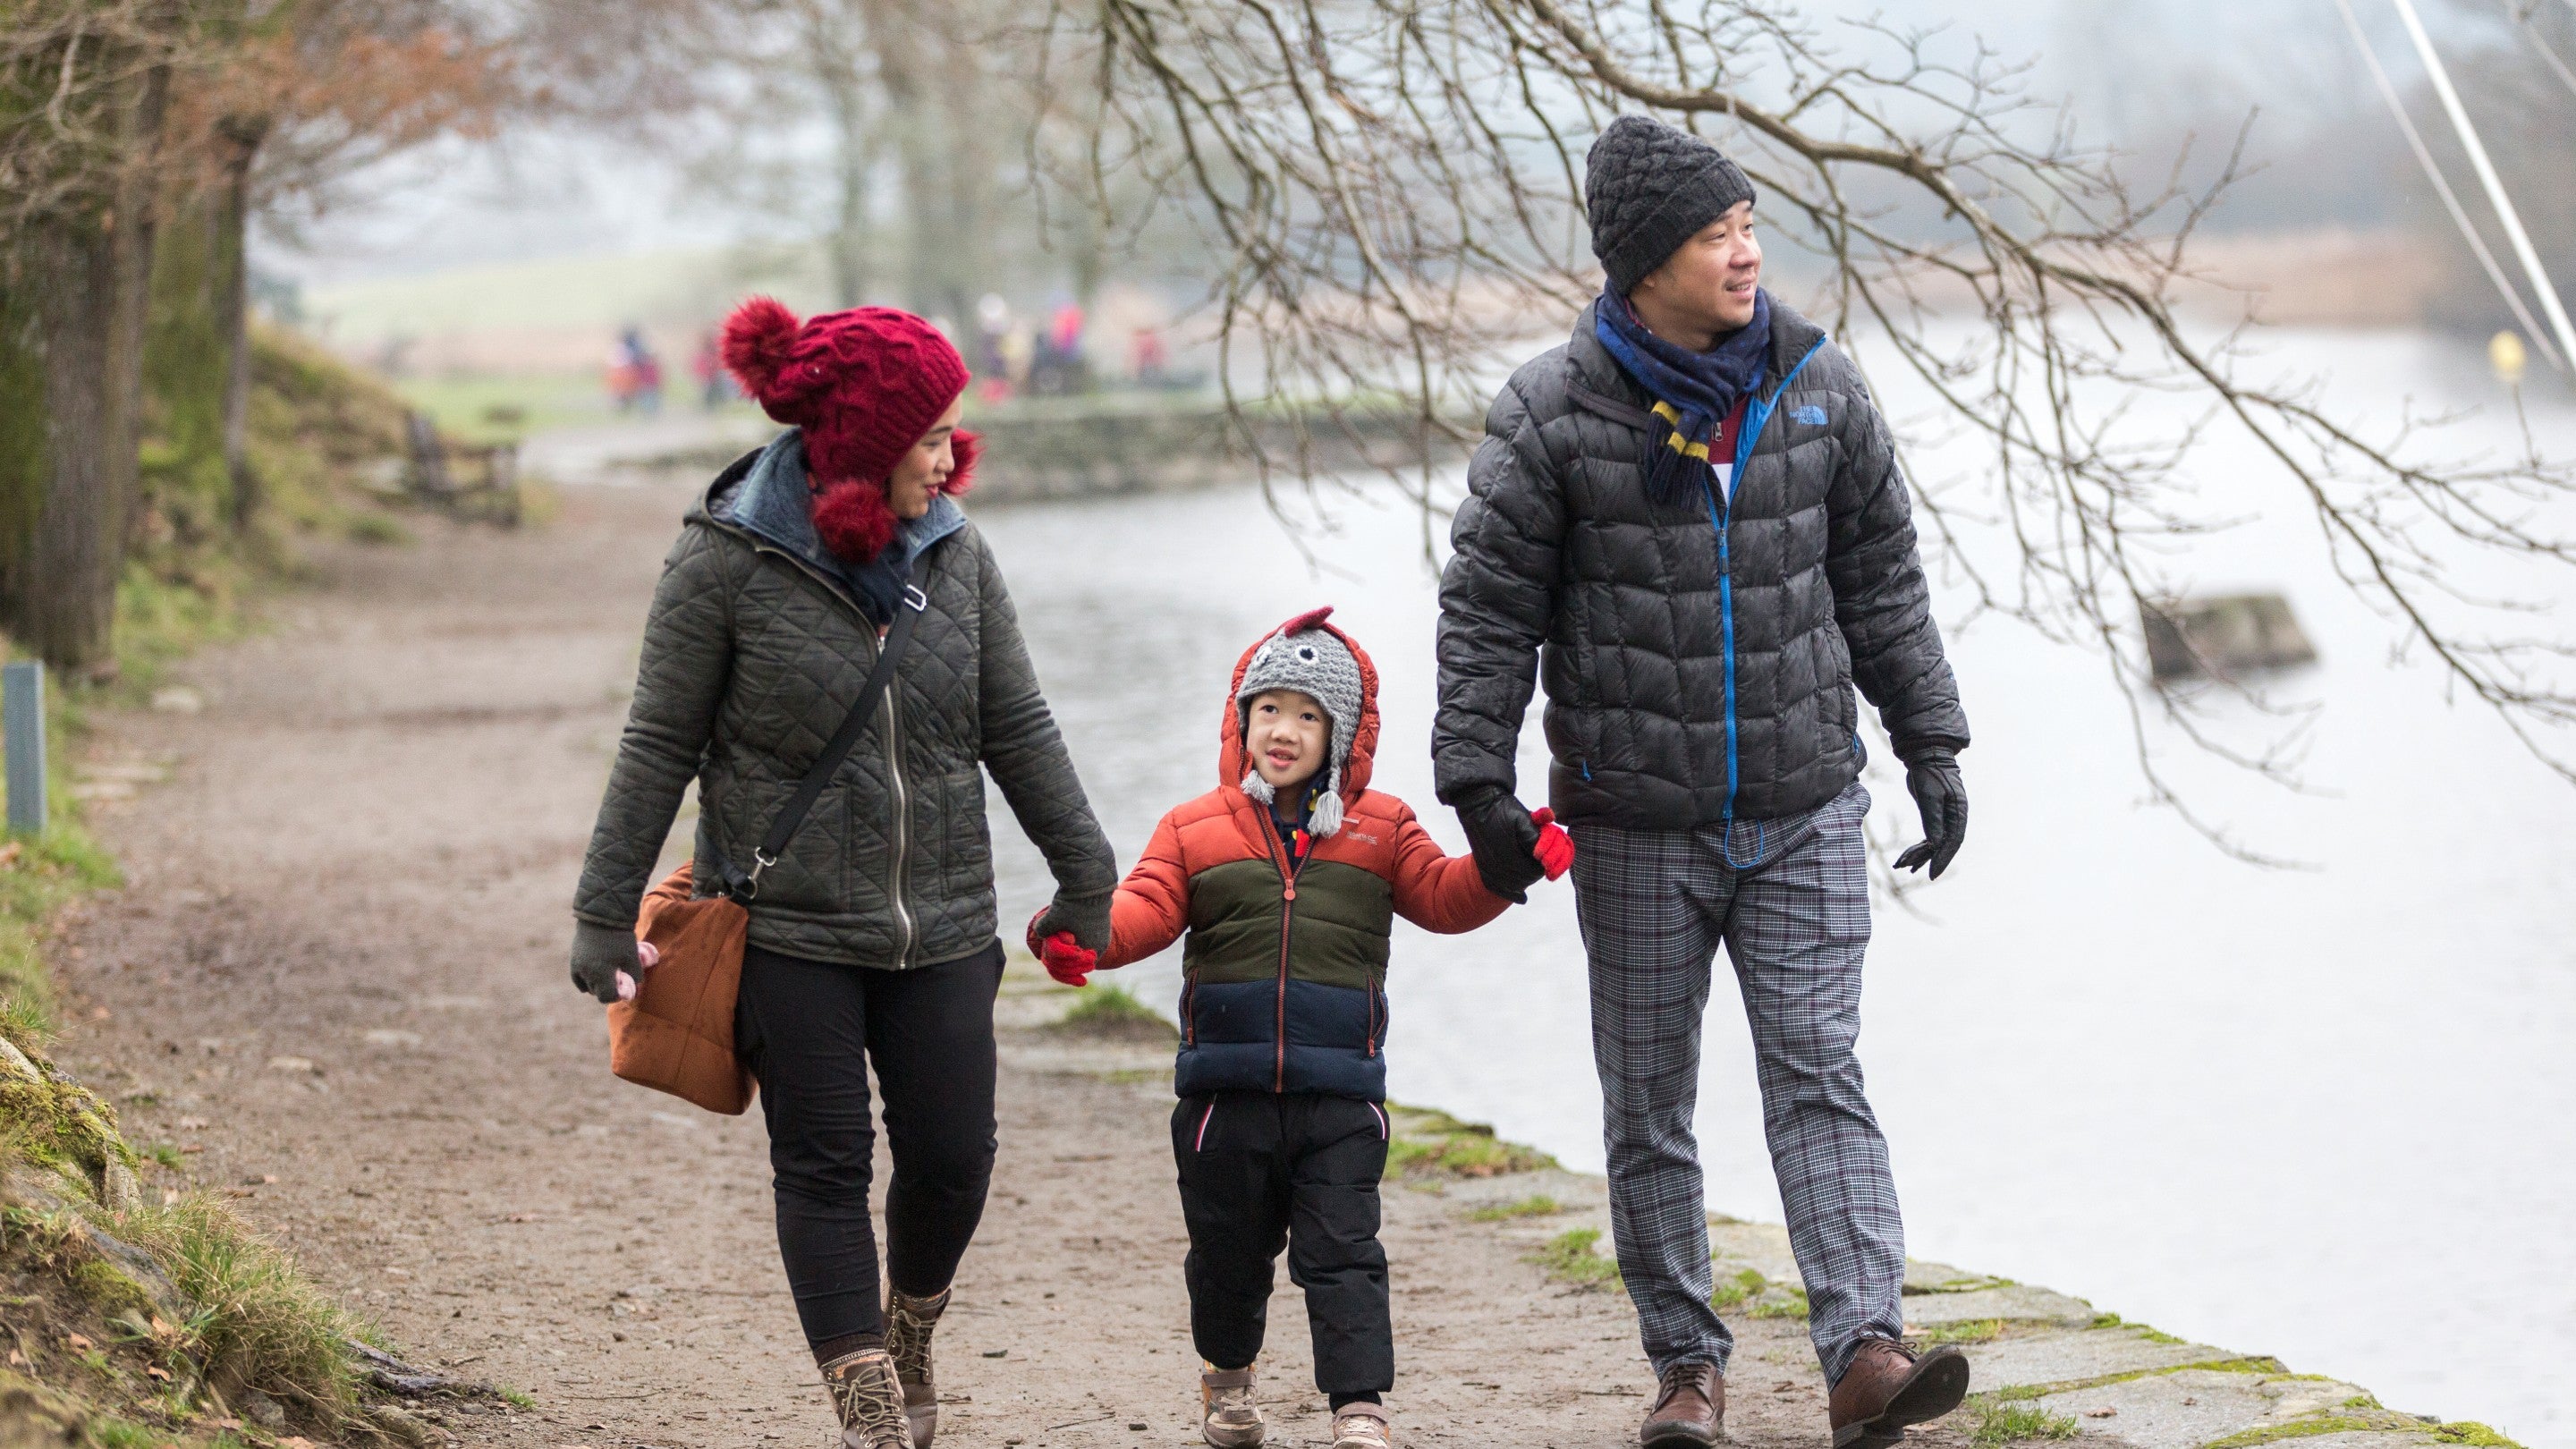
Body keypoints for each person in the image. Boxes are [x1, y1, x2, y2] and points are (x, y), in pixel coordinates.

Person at [1432, 114, 1974, 1449]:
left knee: (1818, 1072)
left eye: (1747, 225)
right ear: (1642, 262)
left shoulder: (1822, 388)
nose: (1745, 253)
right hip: (1631, 826)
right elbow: (1489, 613)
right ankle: (1687, 1371)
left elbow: (1884, 584)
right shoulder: (1551, 412)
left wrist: (1933, 743)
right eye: (1714, 233)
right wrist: (1478, 785)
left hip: (1803, 806)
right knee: (1650, 1105)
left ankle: (1864, 1352)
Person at [567, 298, 1118, 1449]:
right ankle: (867, 1403)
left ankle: (910, 1326)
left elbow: (1015, 722)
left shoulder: (957, 553)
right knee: (823, 1165)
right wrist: (601, 912)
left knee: (955, 1156)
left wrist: (1085, 870)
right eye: (927, 435)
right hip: (787, 929)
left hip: (946, 925)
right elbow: (657, 745)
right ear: (864, 439)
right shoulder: (721, 561)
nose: (950, 455)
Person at [1035, 607, 1571, 1449]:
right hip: (1224, 1100)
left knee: (1344, 1253)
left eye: (1308, 715)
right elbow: (1142, 910)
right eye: (1269, 709)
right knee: (1228, 1258)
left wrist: (1508, 865)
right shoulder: (1192, 827)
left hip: (1340, 1098)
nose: (1283, 731)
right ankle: (1228, 1377)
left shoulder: (1383, 827)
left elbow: (1443, 897)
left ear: (1345, 733)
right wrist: (1081, 934)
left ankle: (1359, 1406)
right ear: (1240, 719)